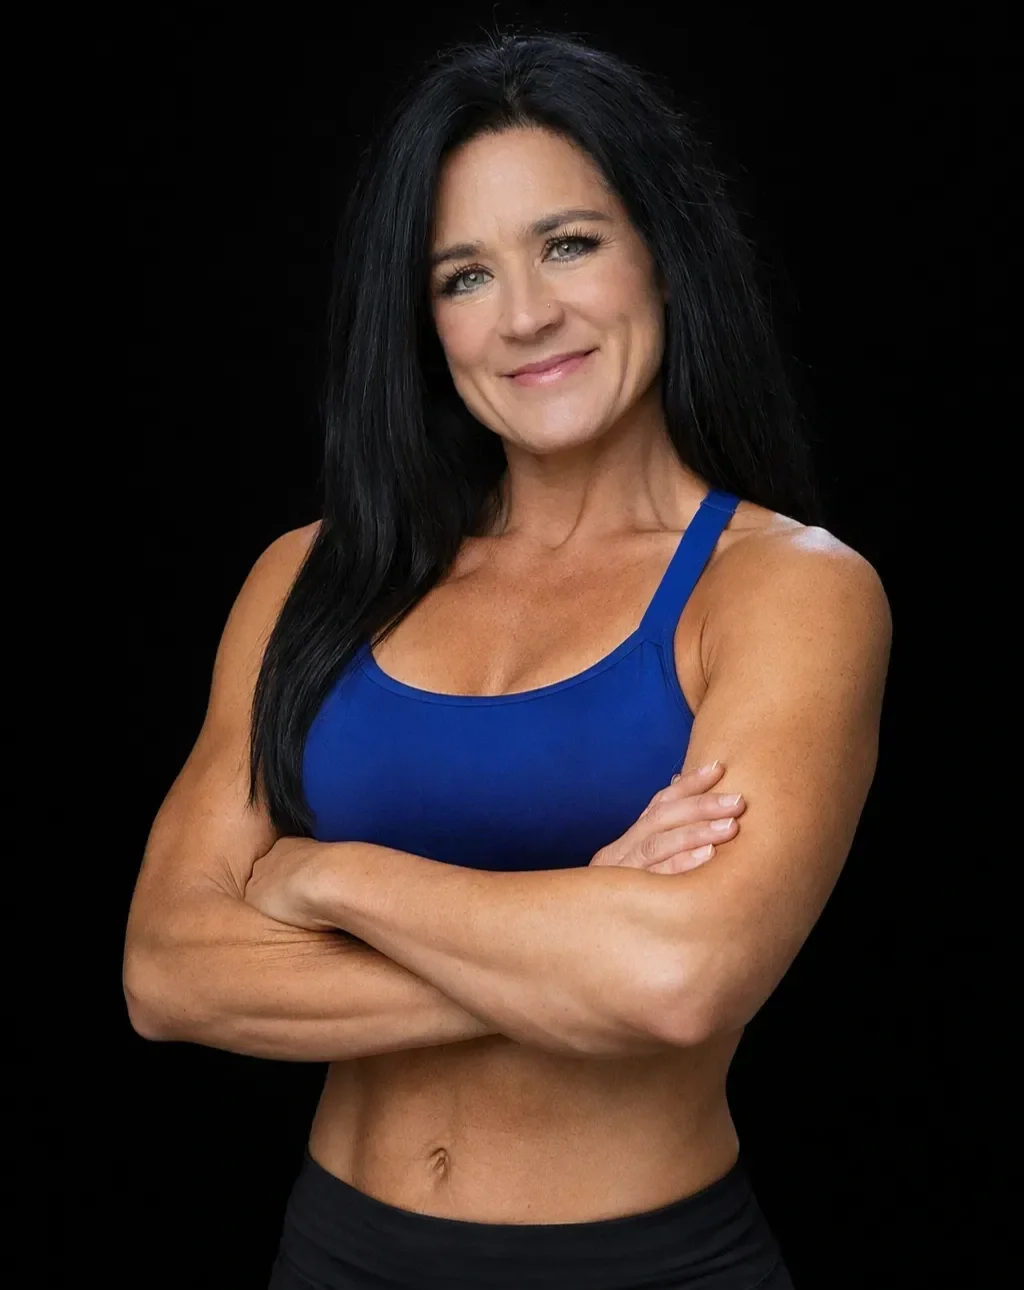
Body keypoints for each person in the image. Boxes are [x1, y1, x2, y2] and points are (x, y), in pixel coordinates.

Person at [123, 29, 891, 1290]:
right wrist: (574, 934)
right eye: (463, 276)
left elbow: (677, 980)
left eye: (568, 244)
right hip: (336, 1255)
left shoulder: (789, 590)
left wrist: (329, 877)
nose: (526, 314)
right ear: (423, 322)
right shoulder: (311, 578)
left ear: (660, 250)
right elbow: (166, 975)